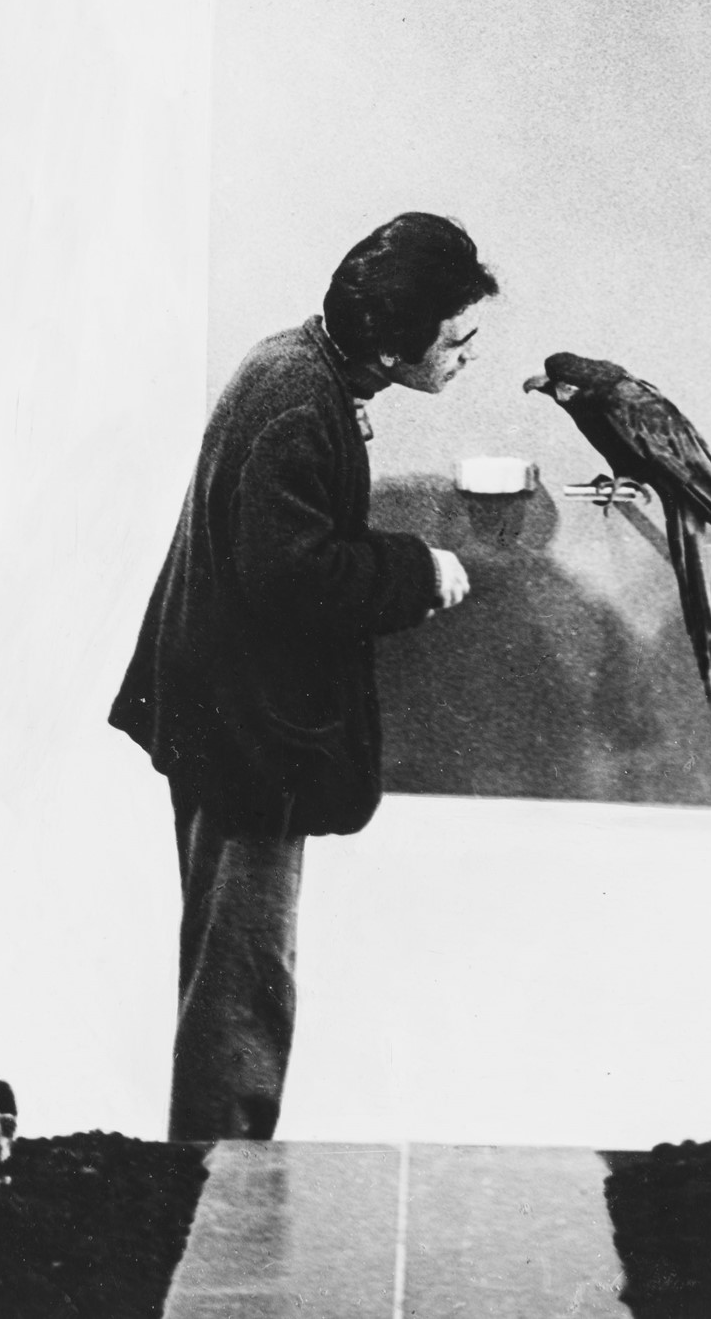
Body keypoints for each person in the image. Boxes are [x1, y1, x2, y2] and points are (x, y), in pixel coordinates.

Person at [109, 211, 499, 1141]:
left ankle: (211, 1178)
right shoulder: (299, 397)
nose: (467, 356)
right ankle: (222, 1193)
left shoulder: (297, 367)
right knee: (243, 986)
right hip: (246, 739)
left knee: (231, 973)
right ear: (395, 342)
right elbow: (291, 575)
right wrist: (417, 571)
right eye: (455, 339)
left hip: (224, 720)